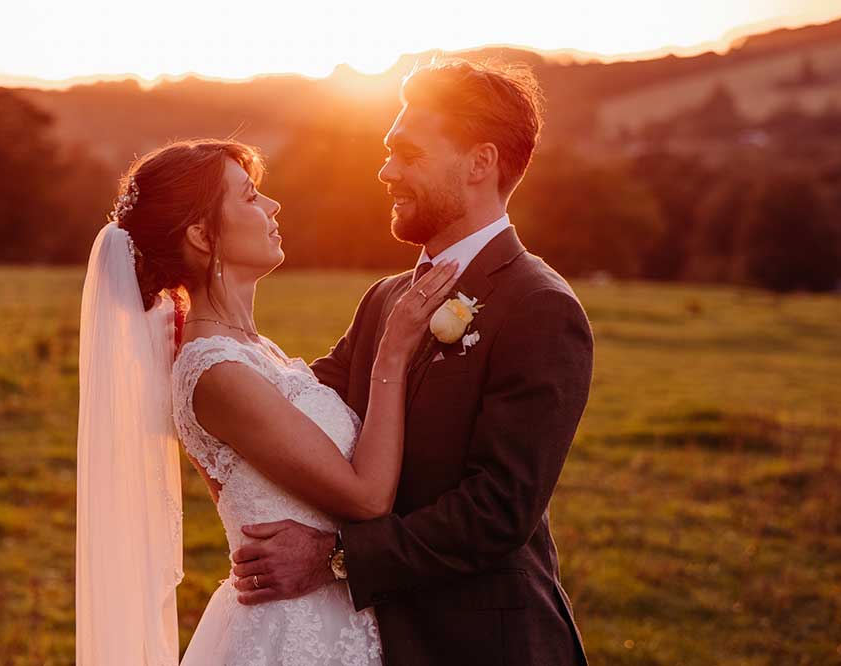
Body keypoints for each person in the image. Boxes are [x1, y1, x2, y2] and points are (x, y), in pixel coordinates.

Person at [230, 60, 594, 665]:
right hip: (378, 640)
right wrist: (204, 345)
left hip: (485, 644)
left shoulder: (540, 306)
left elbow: (499, 510)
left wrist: (334, 556)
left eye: (408, 154)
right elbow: (310, 407)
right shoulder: (386, 297)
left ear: (480, 163)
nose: (386, 170)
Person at [75, 137, 459, 665]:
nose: (273, 207)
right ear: (201, 234)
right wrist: (392, 354)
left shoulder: (257, 352)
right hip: (290, 637)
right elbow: (367, 498)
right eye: (251, 197)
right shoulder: (217, 372)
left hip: (333, 623)